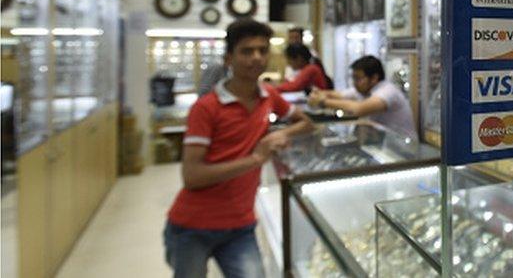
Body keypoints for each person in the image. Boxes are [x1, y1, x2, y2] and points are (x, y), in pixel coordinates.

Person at [164, 19, 314, 278]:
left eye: (262, 50)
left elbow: (306, 123)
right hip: (193, 227)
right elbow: (192, 176)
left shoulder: (268, 96)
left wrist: (276, 137)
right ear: (228, 59)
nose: (256, 58)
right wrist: (256, 158)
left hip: (241, 226)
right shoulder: (206, 108)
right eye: (247, 51)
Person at [309, 55, 416, 138]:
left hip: (402, 147)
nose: (355, 83)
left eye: (358, 79)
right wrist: (320, 94)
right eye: (354, 78)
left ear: (374, 78)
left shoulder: (387, 91)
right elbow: (338, 95)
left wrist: (323, 102)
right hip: (384, 142)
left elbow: (359, 109)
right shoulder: (364, 90)